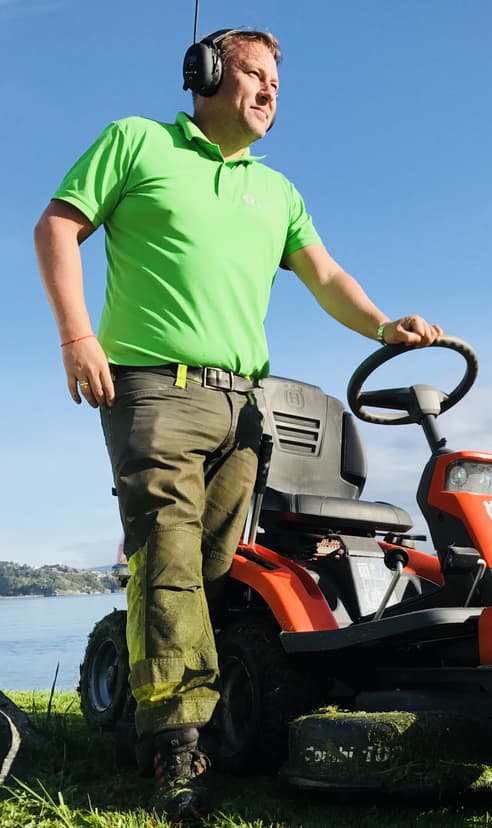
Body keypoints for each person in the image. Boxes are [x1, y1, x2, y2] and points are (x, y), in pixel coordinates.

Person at [34, 28, 441, 823]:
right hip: (153, 391)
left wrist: (384, 326)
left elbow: (325, 276)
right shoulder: (137, 142)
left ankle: (186, 701)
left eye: (277, 86)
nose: (268, 94)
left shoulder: (277, 191)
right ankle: (178, 755)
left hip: (245, 406)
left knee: (215, 569)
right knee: (170, 558)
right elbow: (56, 228)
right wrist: (78, 337)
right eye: (252, 76)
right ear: (206, 73)